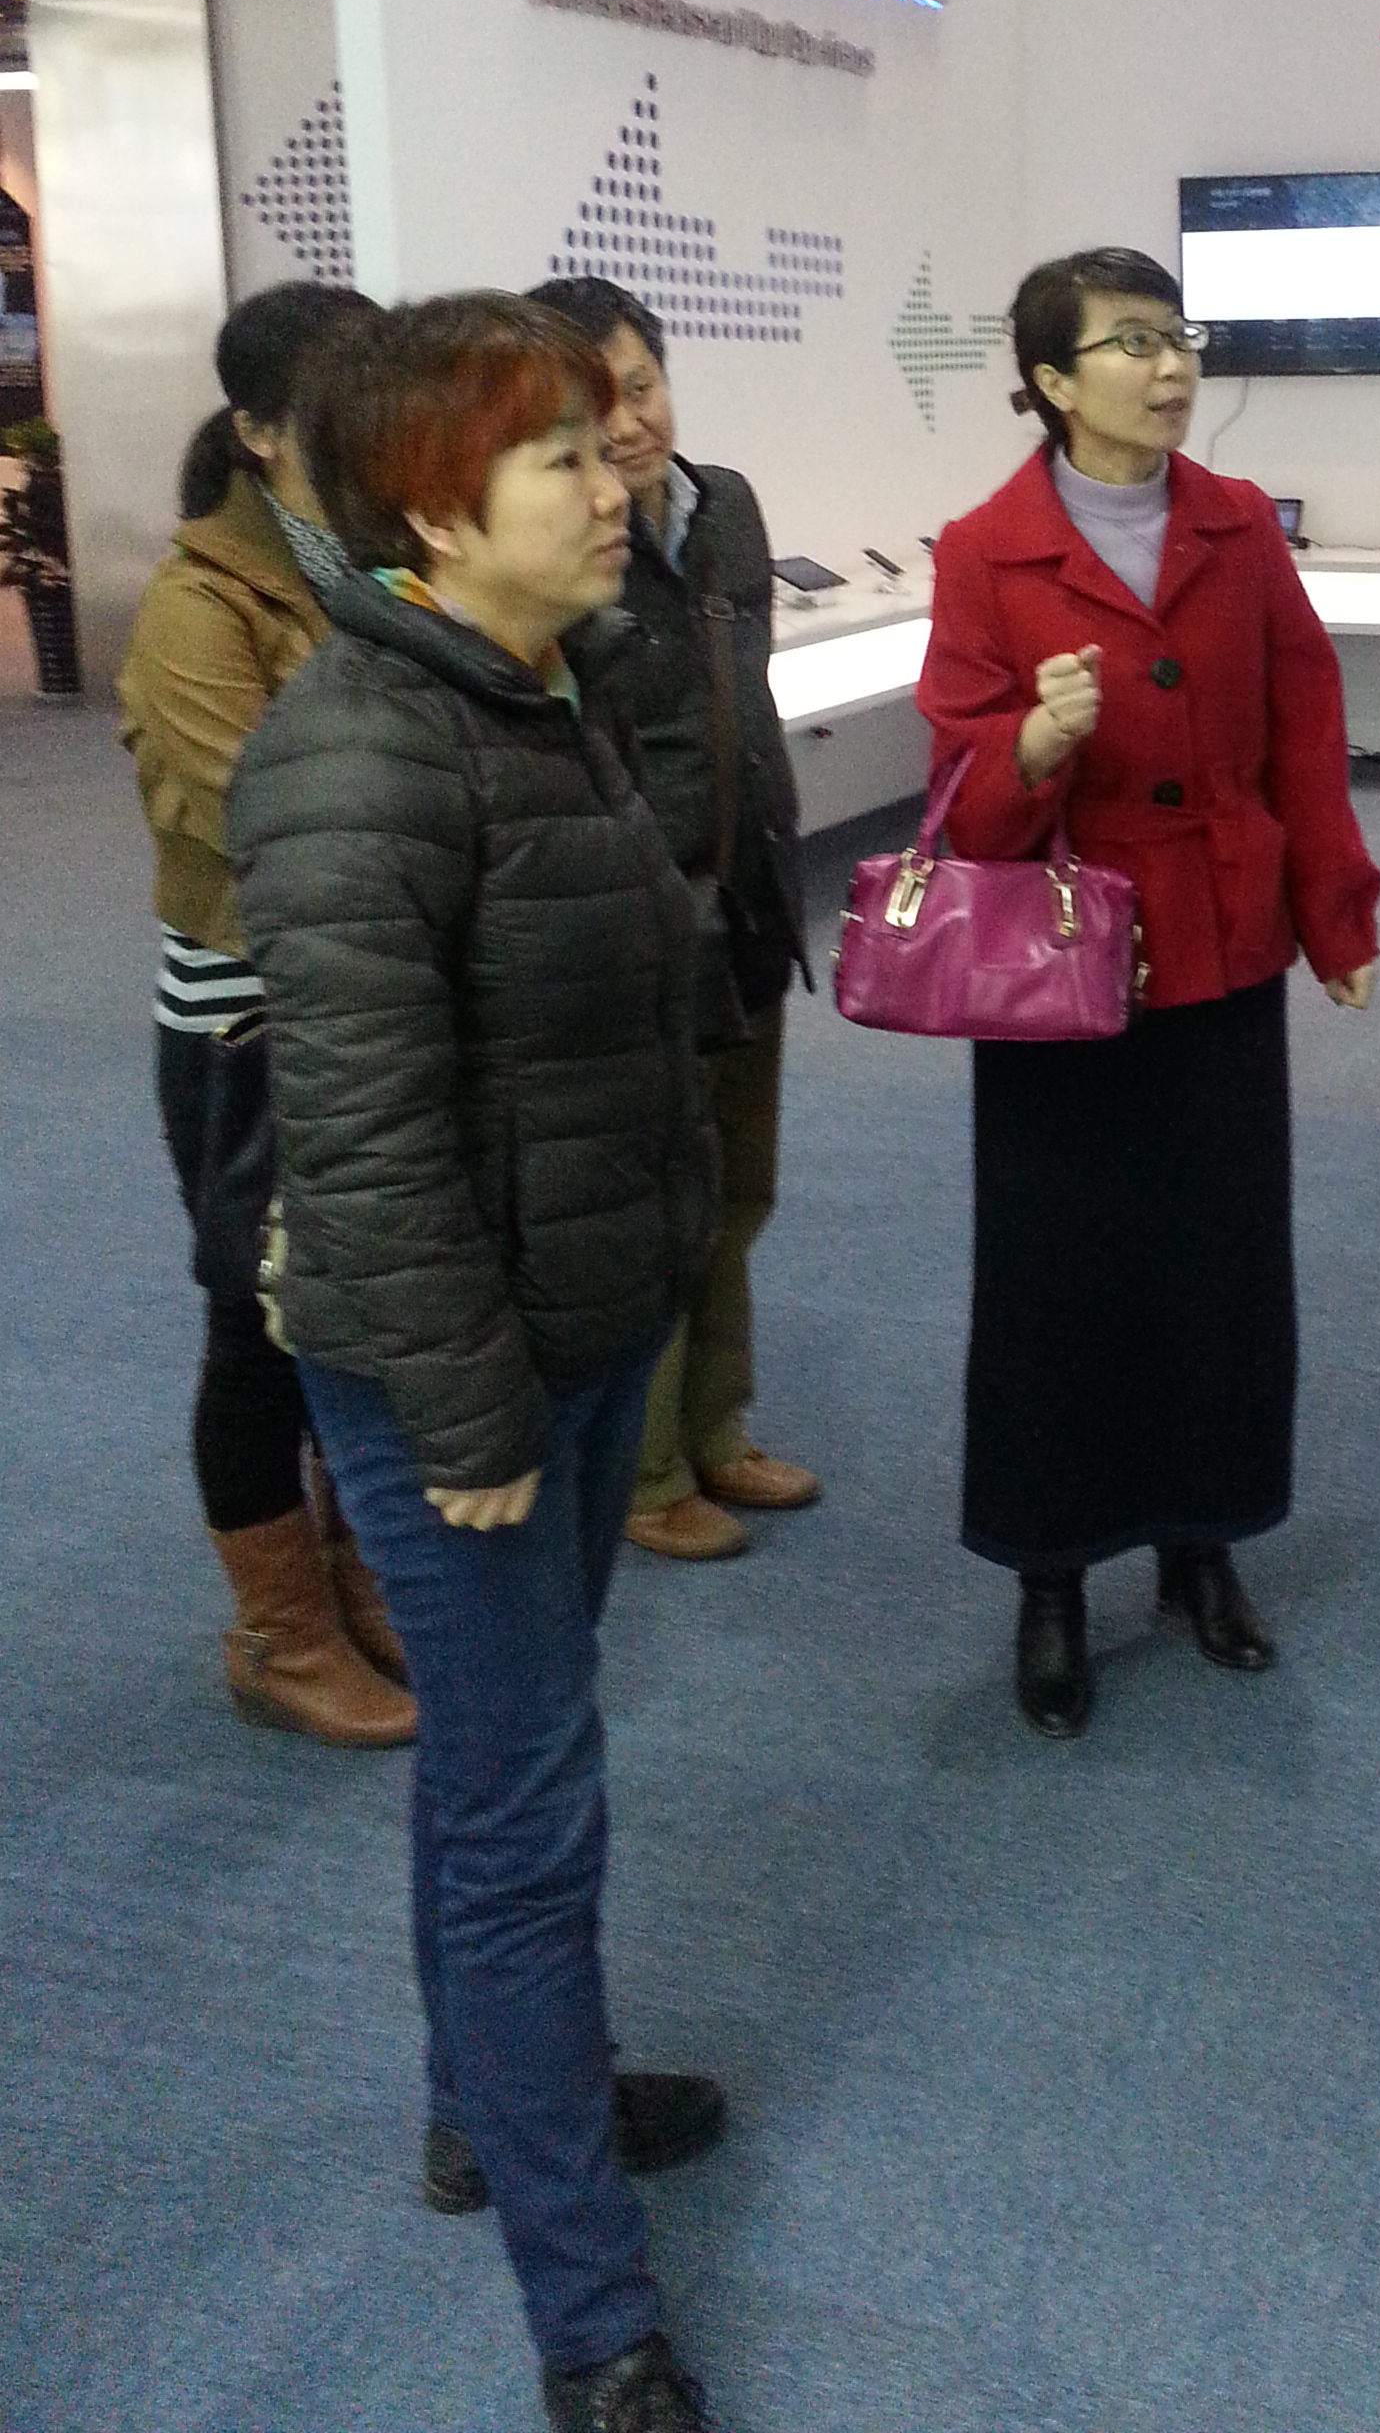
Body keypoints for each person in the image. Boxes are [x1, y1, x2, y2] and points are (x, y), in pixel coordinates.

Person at [227, 296, 728, 2433]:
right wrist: (462, 1412)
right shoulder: (353, 754)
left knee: (503, 1763)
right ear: (434, 514)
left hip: (583, 1315)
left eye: (610, 450)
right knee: (529, 1816)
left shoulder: (544, 688)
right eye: (565, 463)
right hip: (459, 1374)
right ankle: (590, 2321)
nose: (618, 490)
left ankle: (488, 2111)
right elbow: (362, 1138)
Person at [918, 247, 1380, 1737]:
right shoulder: (983, 550)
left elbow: (1305, 721)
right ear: (1053, 381)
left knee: (1221, 1266)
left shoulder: (1239, 525)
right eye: (1132, 342)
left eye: (1179, 336)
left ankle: (1203, 1544)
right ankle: (1051, 1577)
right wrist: (1033, 747)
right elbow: (962, 784)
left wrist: (1336, 912)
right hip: (1062, 966)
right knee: (1056, 1279)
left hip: (1223, 941)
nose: (1172, 365)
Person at [118, 280, 415, 1750]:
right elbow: (268, 828)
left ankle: (358, 1580)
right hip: (251, 1025)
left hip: (376, 1004)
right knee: (260, 1326)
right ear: (258, 430)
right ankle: (280, 1637)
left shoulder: (386, 559)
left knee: (359, 1320)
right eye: (342, 408)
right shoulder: (202, 601)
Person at [524, 274, 818, 1564]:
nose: (630, 424)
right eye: (595, 407)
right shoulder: (557, 548)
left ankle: (718, 1429)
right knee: (657, 1208)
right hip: (641, 924)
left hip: (749, 903)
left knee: (740, 1191)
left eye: (640, 387)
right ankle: (643, 1479)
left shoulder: (727, 507)